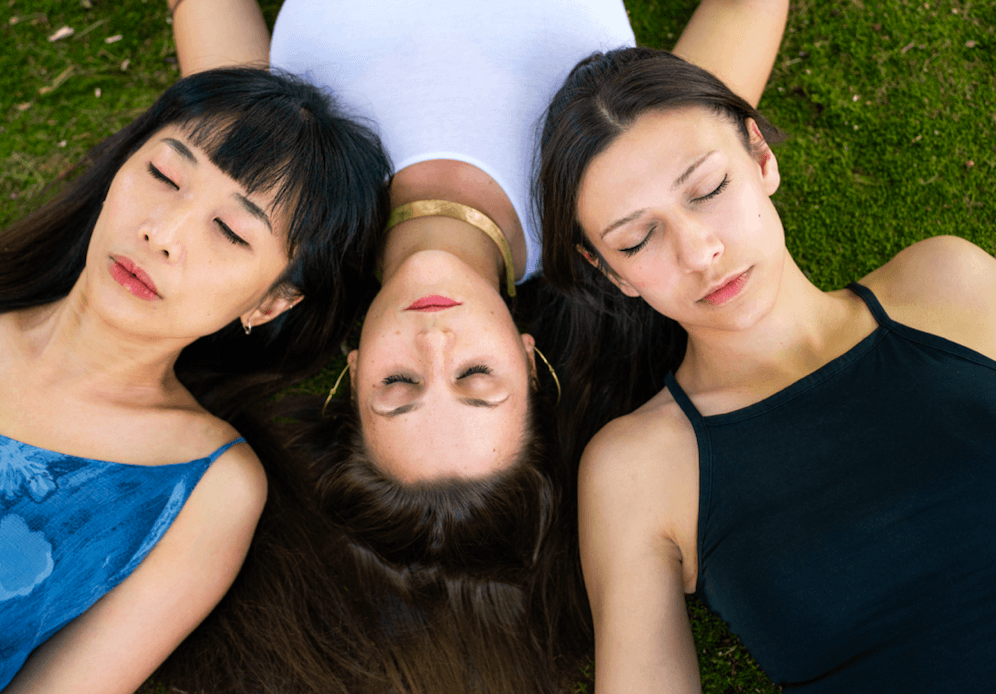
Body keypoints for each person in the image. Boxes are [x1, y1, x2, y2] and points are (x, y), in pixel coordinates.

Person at [161, 2, 788, 693]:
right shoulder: (611, 199)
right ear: (528, 359)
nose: (435, 344)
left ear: (354, 371)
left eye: (398, 385)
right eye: (475, 376)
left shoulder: (283, 206)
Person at [0, 66, 389, 693]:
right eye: (164, 175)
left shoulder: (206, 487)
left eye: (230, 232)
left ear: (271, 302)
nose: (160, 234)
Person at [537, 46, 996, 692]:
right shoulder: (639, 468)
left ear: (760, 158)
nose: (699, 252)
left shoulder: (944, 283)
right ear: (612, 272)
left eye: (708, 190)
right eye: (638, 240)